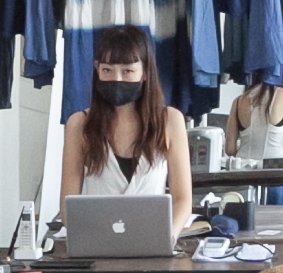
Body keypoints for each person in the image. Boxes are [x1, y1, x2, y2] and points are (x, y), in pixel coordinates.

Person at [62, 21, 195, 222]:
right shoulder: (79, 123)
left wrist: (169, 235)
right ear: (97, 70)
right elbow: (67, 206)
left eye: (127, 71)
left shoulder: (170, 120)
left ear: (145, 72)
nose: (117, 79)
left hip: (154, 236)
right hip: (98, 237)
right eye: (107, 70)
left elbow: (183, 200)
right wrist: (88, 235)